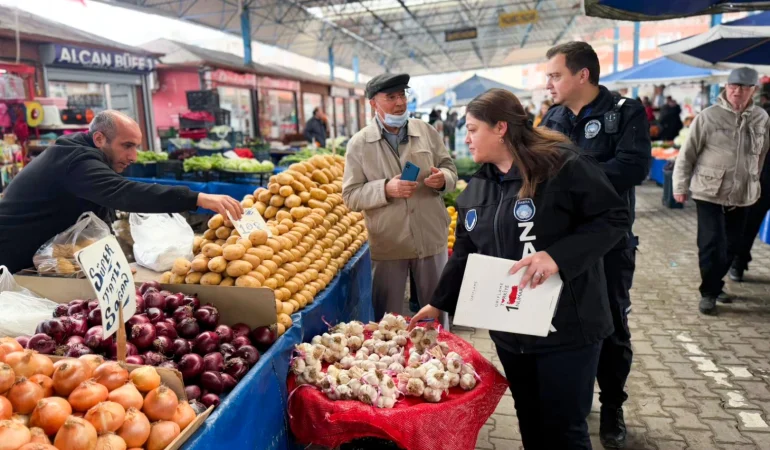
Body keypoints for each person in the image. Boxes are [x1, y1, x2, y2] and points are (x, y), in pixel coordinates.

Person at [410, 88, 630, 450]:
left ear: (500, 128)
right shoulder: (477, 189)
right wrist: (438, 303)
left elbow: (613, 216)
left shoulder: (561, 165)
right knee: (530, 420)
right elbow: (465, 251)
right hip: (513, 334)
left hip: (568, 330)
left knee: (566, 430)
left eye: (472, 129)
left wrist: (557, 256)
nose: (465, 138)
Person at [539, 41, 651, 449]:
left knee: (612, 328)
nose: (548, 83)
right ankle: (578, 398)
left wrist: (571, 181)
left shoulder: (624, 112)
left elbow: (633, 166)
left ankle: (613, 407)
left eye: (555, 75)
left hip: (609, 244)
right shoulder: (551, 117)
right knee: (570, 326)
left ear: (581, 75)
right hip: (562, 247)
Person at [0, 110, 243, 274]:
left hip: (42, 256)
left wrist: (114, 263)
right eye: (127, 146)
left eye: (136, 147)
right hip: (13, 258)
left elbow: (98, 216)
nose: (133, 157)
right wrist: (197, 198)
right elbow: (123, 192)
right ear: (99, 138)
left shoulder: (86, 155)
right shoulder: (76, 161)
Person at [342, 73, 458, 326]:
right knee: (388, 320)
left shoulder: (426, 131)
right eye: (391, 97)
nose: (400, 102)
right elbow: (350, 196)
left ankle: (440, 360)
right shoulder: (359, 144)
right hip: (389, 241)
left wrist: (444, 179)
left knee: (436, 315)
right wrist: (386, 189)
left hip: (430, 235)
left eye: (403, 95)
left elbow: (449, 166)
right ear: (373, 103)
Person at [673, 67, 770, 314]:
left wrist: (754, 180)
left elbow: (761, 154)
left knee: (733, 246)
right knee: (711, 244)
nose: (737, 91)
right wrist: (680, 186)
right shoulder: (708, 116)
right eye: (733, 86)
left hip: (743, 194)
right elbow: (688, 154)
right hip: (709, 191)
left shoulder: (761, 118)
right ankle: (708, 293)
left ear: (753, 91)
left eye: (743, 87)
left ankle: (716, 283)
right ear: (726, 88)